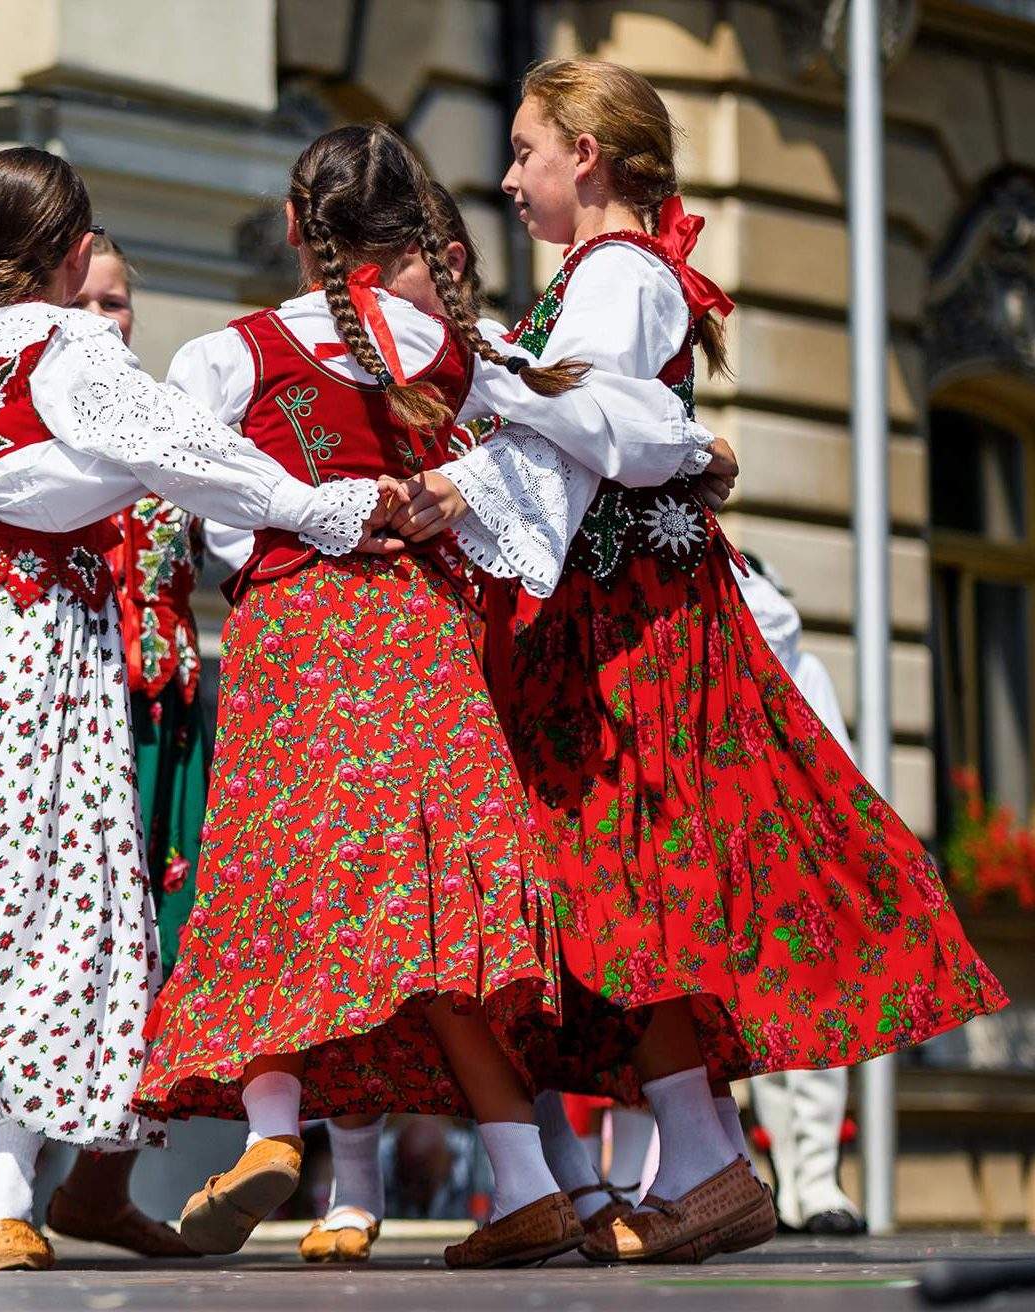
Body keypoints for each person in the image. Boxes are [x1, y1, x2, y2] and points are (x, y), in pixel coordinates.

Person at [391, 57, 1005, 1263]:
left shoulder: (616, 275)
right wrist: (468, 468)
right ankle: (697, 1148)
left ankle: (704, 1154)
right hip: (612, 611)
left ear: (590, 155)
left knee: (625, 878)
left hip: (629, 623)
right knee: (622, 883)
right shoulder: (597, 277)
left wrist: (485, 377)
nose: (508, 175)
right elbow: (582, 444)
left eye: (526, 150)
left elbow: (606, 432)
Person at [0, 144, 391, 1272]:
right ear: (69, 254)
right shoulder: (64, 343)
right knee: (56, 891)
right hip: (38, 641)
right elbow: (173, 452)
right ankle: (3, 1186)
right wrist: (320, 507)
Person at [127, 122, 721, 1269]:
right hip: (425, 636)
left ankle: (269, 1131)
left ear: (297, 230)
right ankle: (526, 1176)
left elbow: (207, 512)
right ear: (410, 232)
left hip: (296, 636)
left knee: (274, 882)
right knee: (441, 912)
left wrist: (294, 507)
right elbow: (603, 426)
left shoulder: (228, 352)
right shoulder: (465, 348)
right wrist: (694, 449)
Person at [0, 232, 199, 1263]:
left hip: (156, 733)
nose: (105, 324)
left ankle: (95, 1182)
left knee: (145, 961)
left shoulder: (155, 421)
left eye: (119, 305)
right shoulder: (35, 431)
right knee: (26, 939)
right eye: (87, 305)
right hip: (55, 712)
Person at [735, 554, 866, 1236]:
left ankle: (816, 1180)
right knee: (770, 1043)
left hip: (802, 866)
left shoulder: (801, 666)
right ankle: (793, 1182)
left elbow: (836, 762)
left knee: (814, 1033)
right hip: (747, 872)